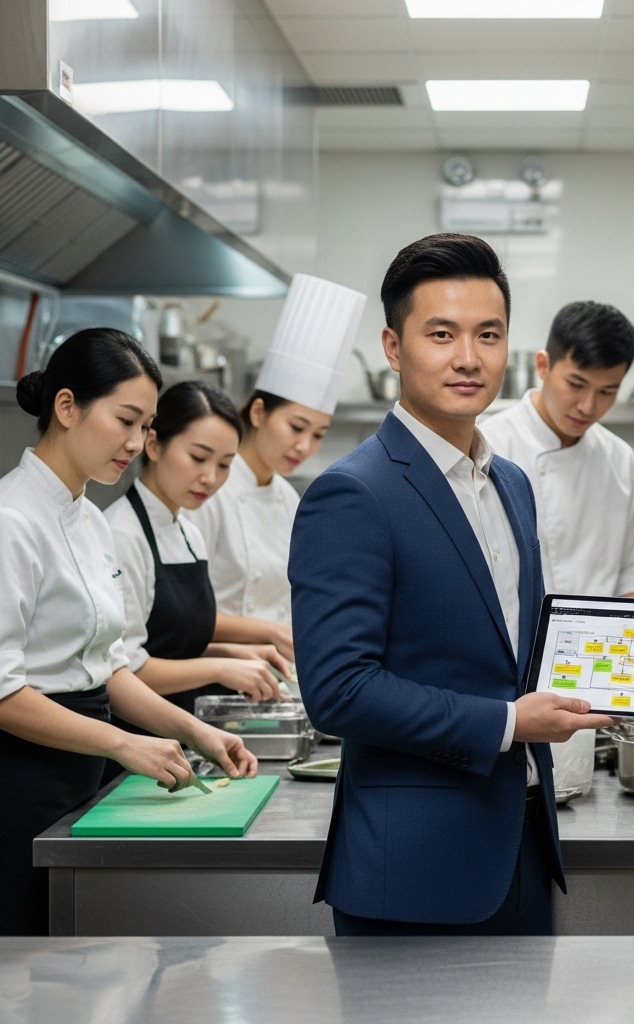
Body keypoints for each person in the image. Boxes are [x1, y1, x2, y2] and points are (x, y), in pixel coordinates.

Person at [290, 233, 634, 936]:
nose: (469, 357)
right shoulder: (354, 492)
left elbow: (512, 650)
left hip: (525, 843)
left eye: (488, 334)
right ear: (393, 346)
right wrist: (507, 724)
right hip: (415, 868)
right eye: (441, 334)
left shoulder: (510, 484)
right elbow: (339, 691)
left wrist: (628, 645)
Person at [0, 329, 257, 936]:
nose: (137, 443)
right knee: (25, 956)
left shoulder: (88, 519)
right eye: (126, 421)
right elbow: (4, 693)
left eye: (145, 426)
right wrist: (123, 744)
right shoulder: (11, 521)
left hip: (82, 774)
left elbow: (108, 668)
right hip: (21, 778)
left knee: (75, 957)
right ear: (67, 407)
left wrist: (196, 732)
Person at [480, 300, 634, 794]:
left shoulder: (619, 459)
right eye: (576, 384)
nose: (588, 407)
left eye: (607, 391)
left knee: (570, 811)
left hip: (589, 689)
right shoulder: (487, 443)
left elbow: (627, 580)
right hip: (503, 696)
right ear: (543, 365)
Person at [105, 381, 292, 719]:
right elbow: (123, 668)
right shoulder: (122, 534)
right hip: (138, 730)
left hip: (186, 724)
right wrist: (219, 668)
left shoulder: (189, 533)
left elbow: (175, 645)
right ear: (154, 445)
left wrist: (232, 654)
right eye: (198, 457)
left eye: (224, 464)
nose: (210, 477)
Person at [189, 274, 366, 630]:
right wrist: (272, 635)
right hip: (220, 659)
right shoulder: (208, 490)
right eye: (297, 427)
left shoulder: (287, 499)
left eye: (318, 434)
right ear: (258, 412)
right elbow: (183, 614)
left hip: (277, 658)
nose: (305, 446)